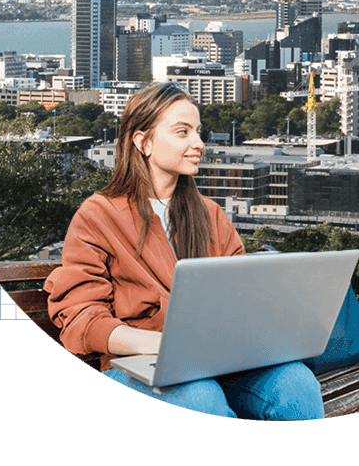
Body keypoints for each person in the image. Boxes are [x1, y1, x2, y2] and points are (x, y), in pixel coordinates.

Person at [45, 82, 325, 420]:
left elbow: (241, 297)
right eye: (182, 132)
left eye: (198, 132)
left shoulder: (209, 215)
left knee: (297, 383)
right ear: (143, 142)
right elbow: (81, 317)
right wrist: (165, 347)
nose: (199, 144)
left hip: (217, 359)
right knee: (199, 397)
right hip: (137, 367)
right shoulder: (98, 216)